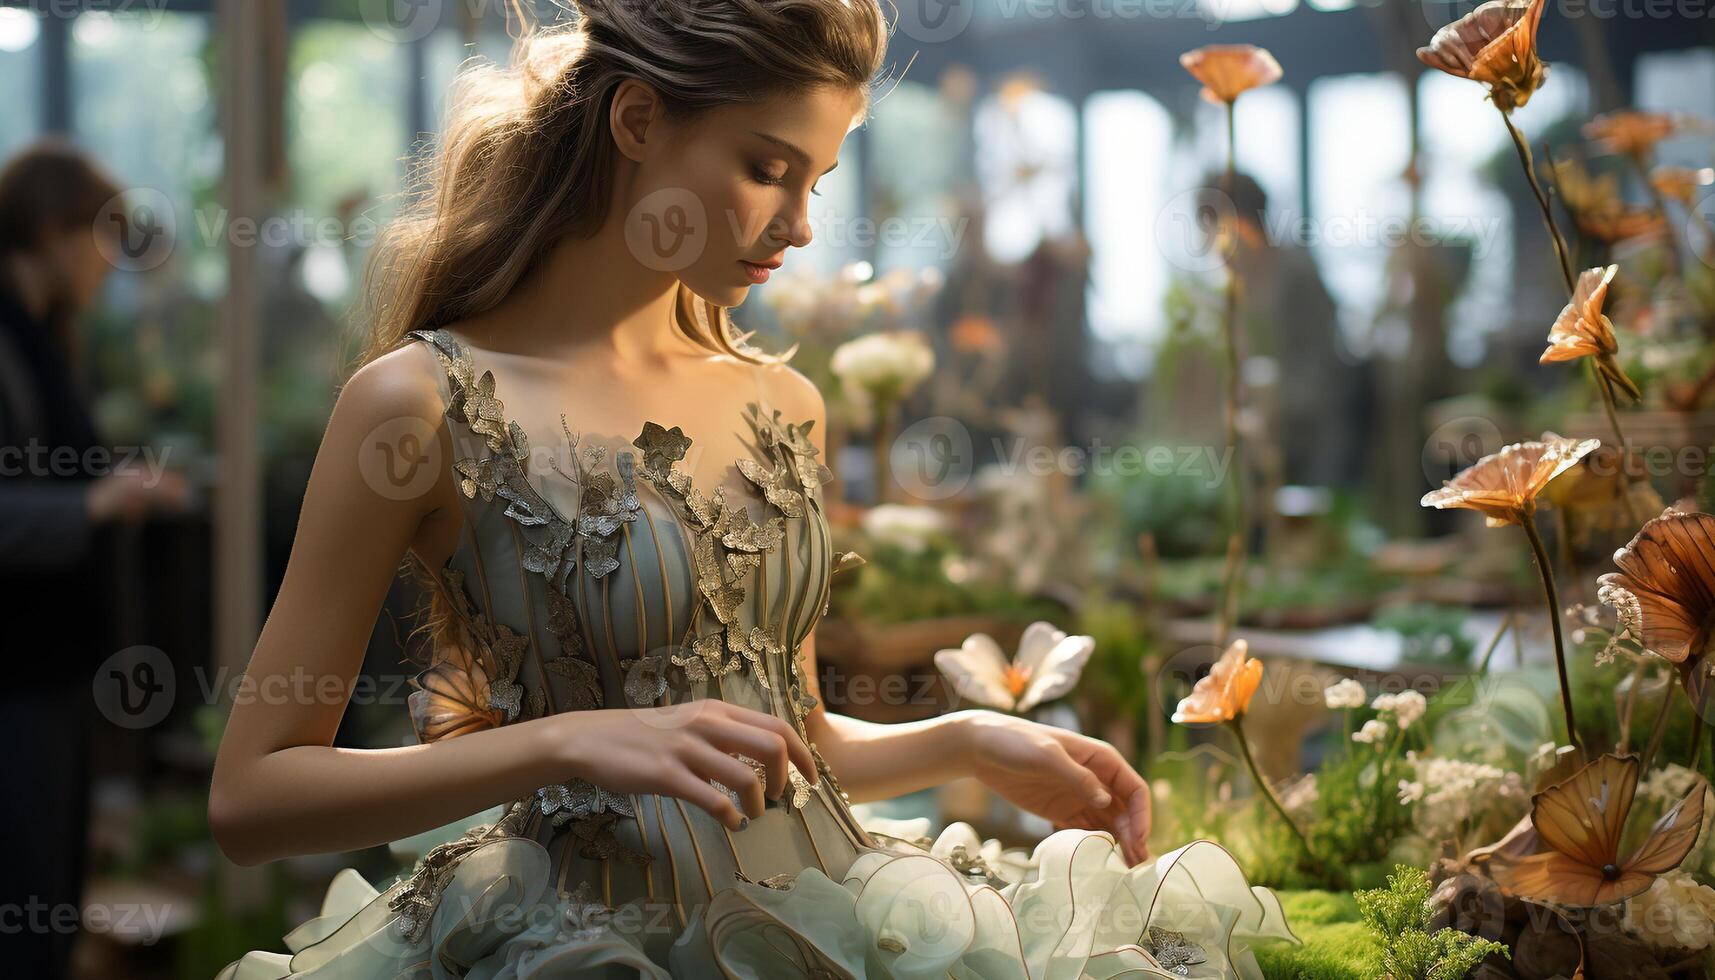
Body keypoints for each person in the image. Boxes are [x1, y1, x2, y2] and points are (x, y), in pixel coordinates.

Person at [209, 3, 1294, 976]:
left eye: (815, 180)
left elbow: (786, 734)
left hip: (841, 922)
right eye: (767, 168)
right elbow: (252, 797)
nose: (801, 223)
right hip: (579, 945)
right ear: (636, 121)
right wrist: (561, 740)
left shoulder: (784, 400)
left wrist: (963, 737)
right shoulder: (414, 402)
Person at [0, 140, 189, 978]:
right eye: (98, 242)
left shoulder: (42, 338)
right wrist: (92, 502)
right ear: (51, 230)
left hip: (51, 665)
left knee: (51, 894)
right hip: (16, 672)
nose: (108, 267)